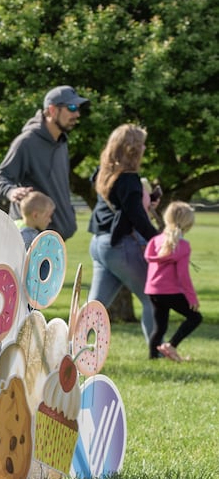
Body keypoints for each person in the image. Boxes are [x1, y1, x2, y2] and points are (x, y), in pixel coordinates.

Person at [87, 124, 160, 346]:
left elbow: (122, 204)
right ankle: (158, 350)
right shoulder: (129, 179)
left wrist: (146, 199)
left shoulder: (104, 173)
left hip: (99, 243)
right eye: (142, 144)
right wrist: (161, 240)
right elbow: (137, 217)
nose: (145, 147)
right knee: (153, 299)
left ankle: (71, 346)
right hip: (120, 245)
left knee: (96, 305)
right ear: (133, 149)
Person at [0, 85, 90, 240]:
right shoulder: (26, 142)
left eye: (78, 108)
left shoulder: (62, 142)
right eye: (71, 107)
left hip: (54, 240)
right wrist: (11, 192)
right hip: (32, 240)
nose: (77, 114)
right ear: (52, 110)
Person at [145, 201, 202, 361]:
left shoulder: (155, 241)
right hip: (170, 291)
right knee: (196, 318)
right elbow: (183, 275)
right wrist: (192, 298)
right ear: (188, 223)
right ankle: (171, 345)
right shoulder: (182, 245)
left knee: (160, 327)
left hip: (153, 291)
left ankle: (153, 358)